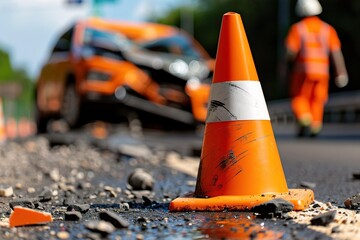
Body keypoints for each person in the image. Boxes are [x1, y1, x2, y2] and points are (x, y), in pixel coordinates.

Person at [285, 0, 348, 137]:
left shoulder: (298, 29)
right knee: (317, 99)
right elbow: (336, 53)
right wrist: (341, 72)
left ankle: (304, 118)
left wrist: (285, 67)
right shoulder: (328, 29)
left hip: (302, 72)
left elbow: (290, 52)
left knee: (299, 97)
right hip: (322, 72)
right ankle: (315, 125)